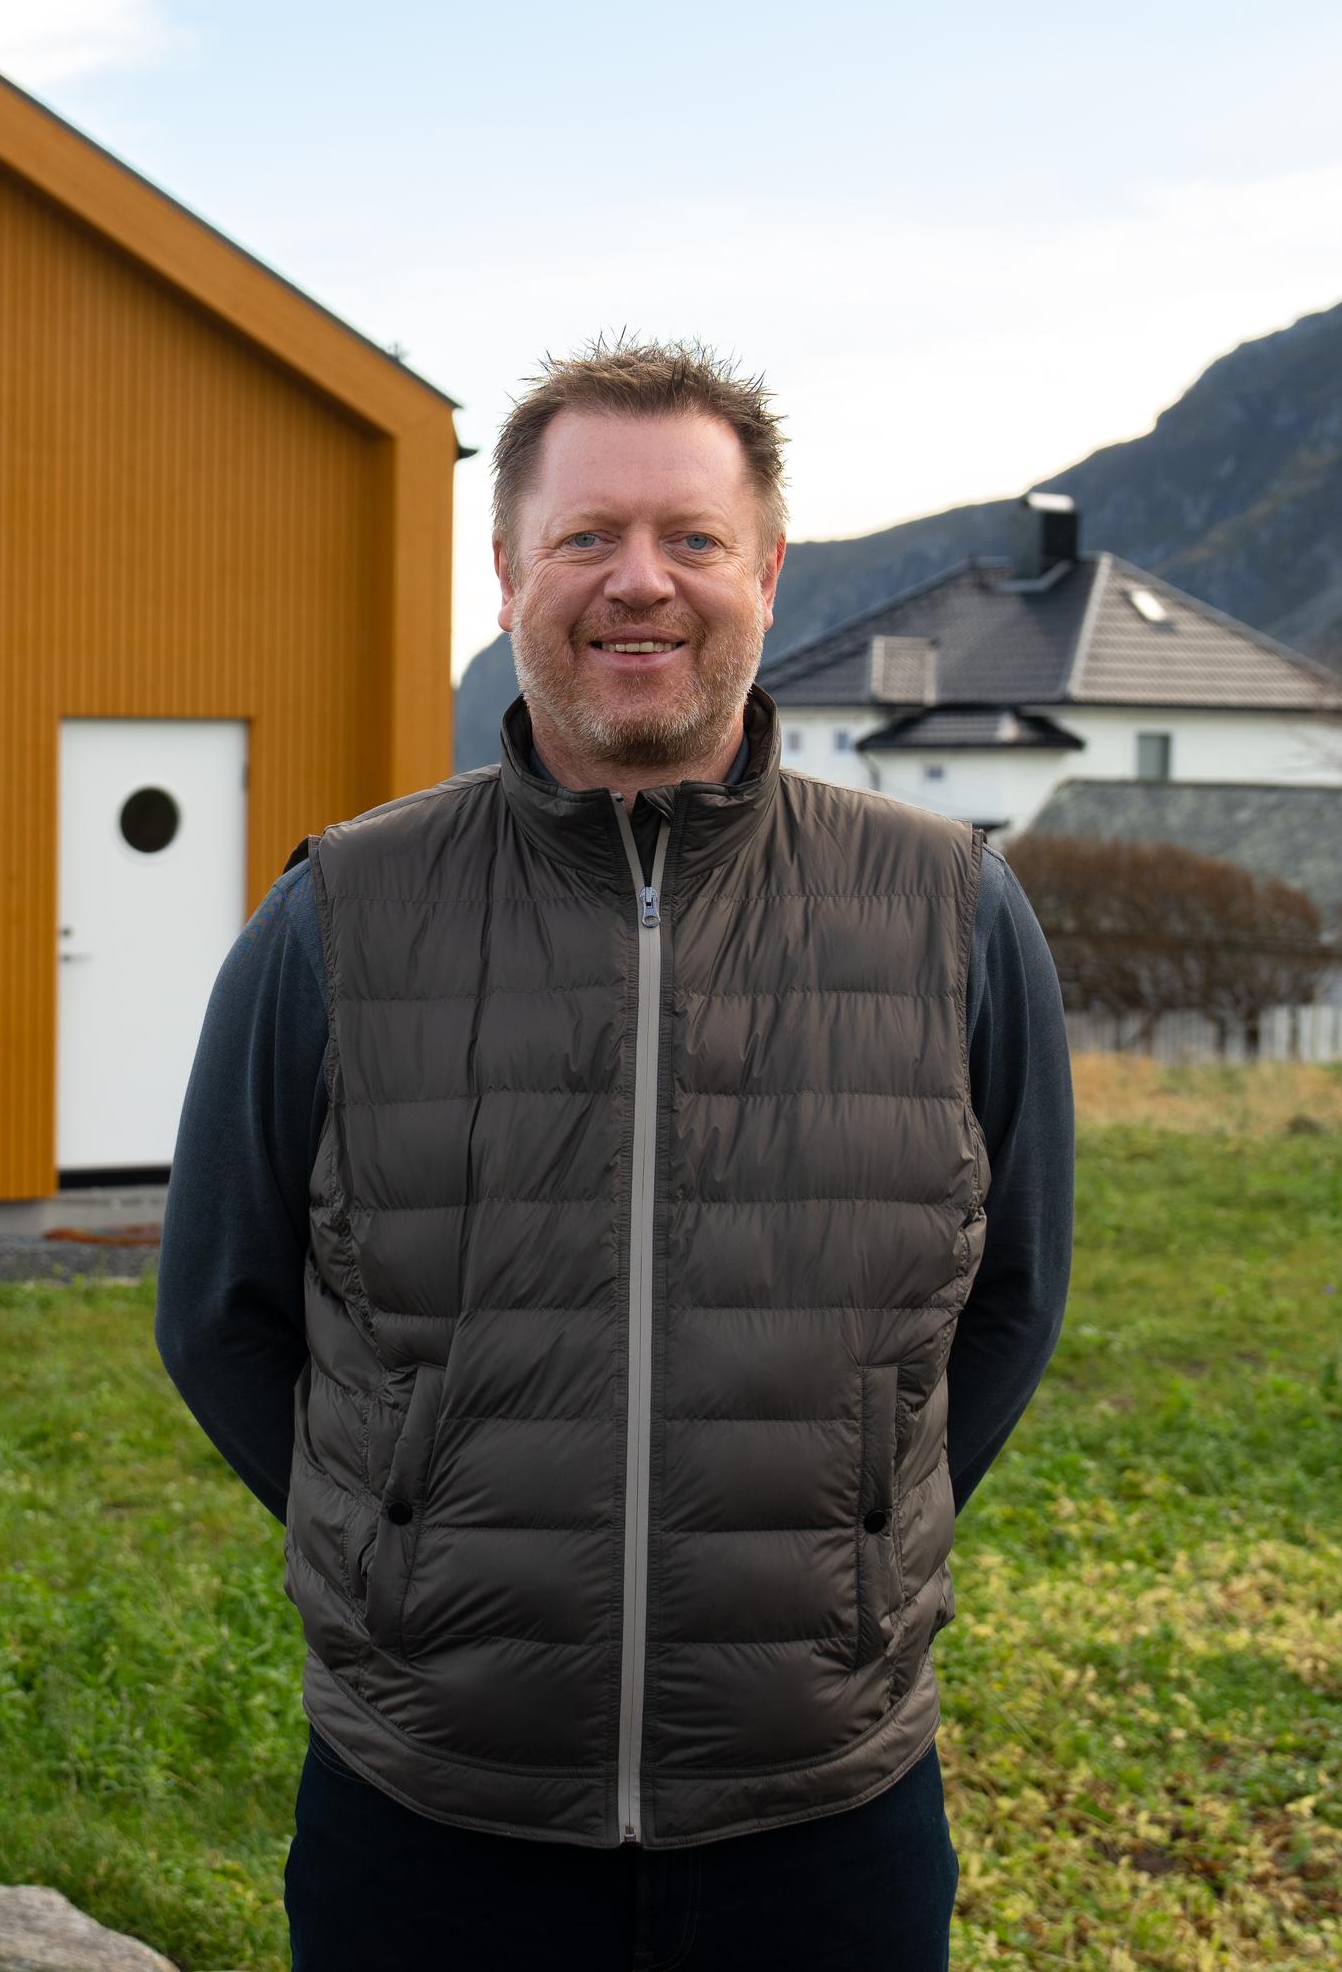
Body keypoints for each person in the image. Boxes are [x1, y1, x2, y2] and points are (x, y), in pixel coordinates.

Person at [155, 338, 1074, 1971]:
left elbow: (1005, 1307)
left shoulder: (952, 912)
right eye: (587, 537)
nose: (638, 583)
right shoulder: (336, 917)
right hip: (431, 1818)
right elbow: (219, 1313)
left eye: (692, 539)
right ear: (505, 568)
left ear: (768, 574)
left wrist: (856, 1541)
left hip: (824, 1818)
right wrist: (400, 1557)